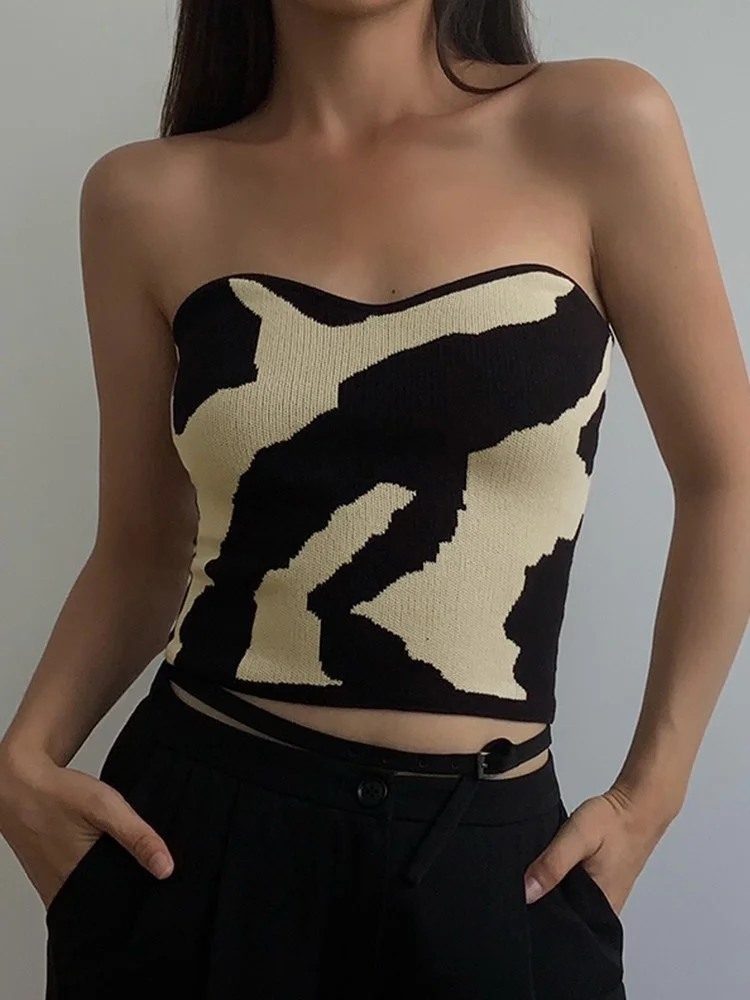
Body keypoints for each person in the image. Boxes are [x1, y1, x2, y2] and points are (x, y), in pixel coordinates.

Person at [2, 0, 750, 997]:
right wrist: (24, 760)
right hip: (200, 839)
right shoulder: (144, 195)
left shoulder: (599, 126)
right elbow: (143, 546)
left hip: (493, 862)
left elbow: (729, 479)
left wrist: (651, 794)